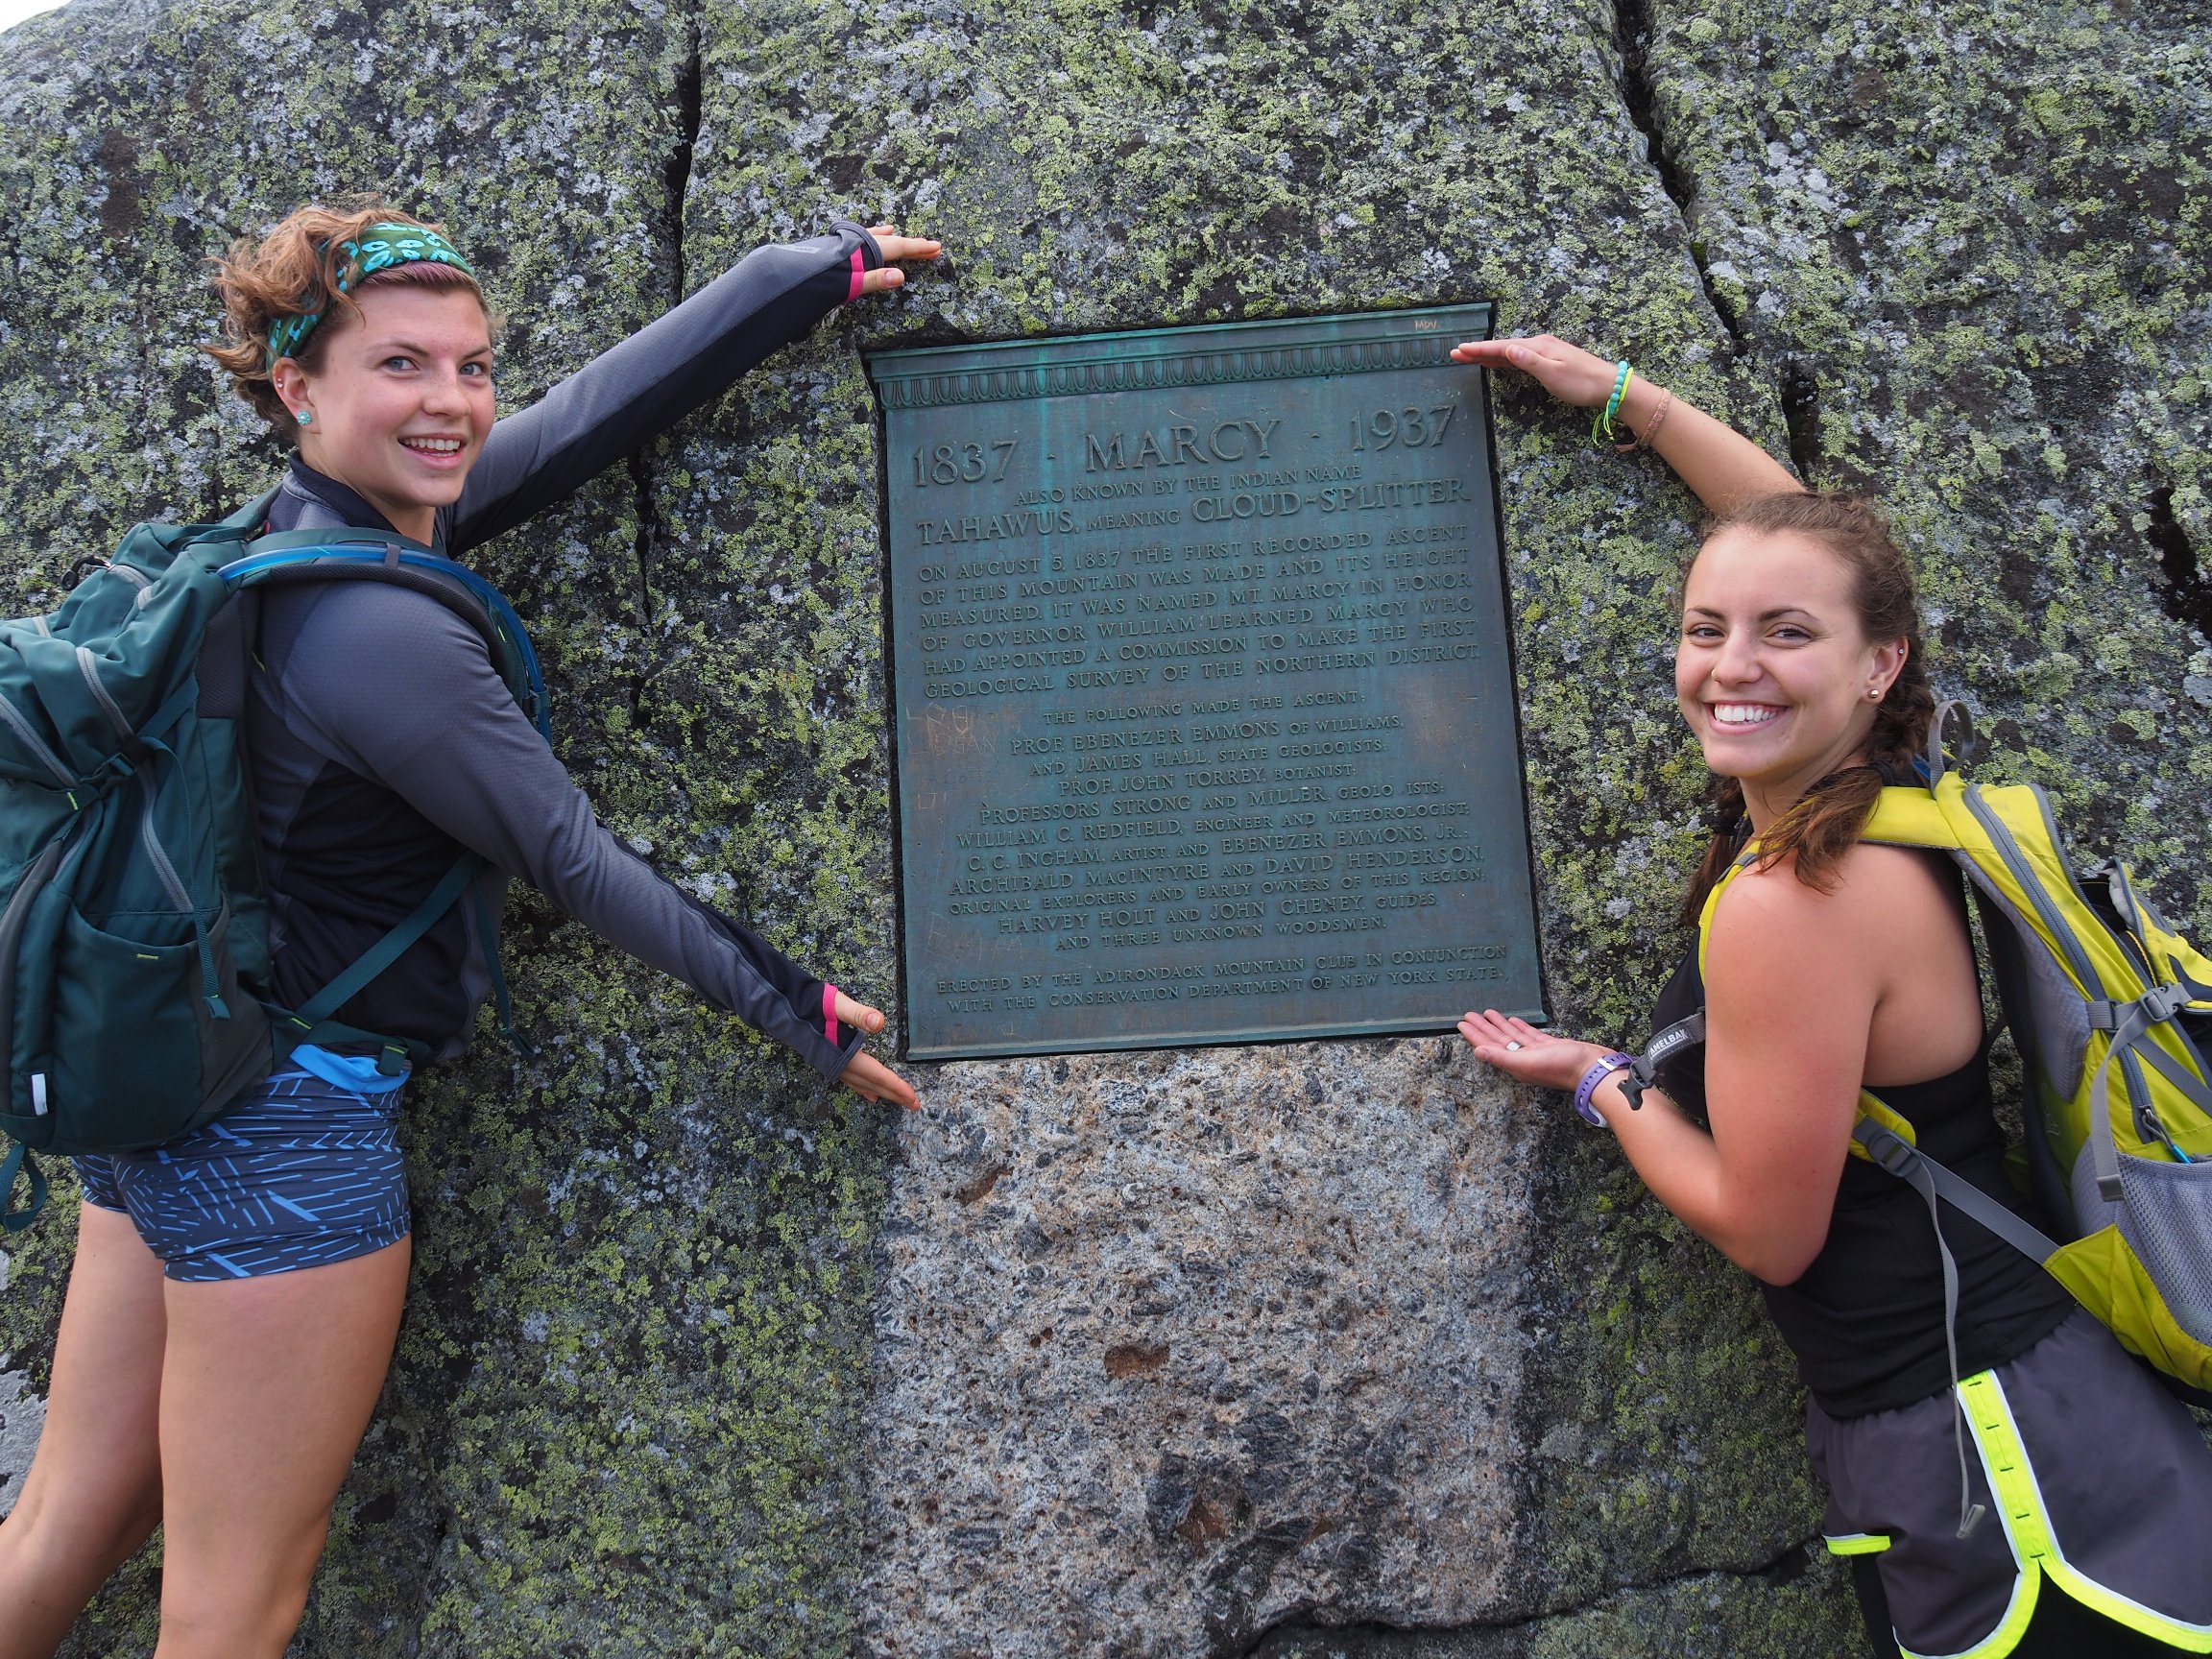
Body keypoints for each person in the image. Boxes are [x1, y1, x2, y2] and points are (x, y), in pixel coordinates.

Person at [0, 199, 938, 1658]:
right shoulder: (381, 631)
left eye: (473, 365)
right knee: (233, 1608)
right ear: (299, 388)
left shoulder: (290, 541)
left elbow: (572, 430)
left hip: (167, 1091)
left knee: (71, 1522)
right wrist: (789, 1006)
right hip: (285, 1143)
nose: (451, 402)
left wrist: (795, 277)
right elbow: (566, 855)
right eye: (402, 366)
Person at [1453, 334, 2212, 1658]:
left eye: (1783, 636)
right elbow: (1812, 556)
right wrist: (1633, 402)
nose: (1731, 665)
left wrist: (1600, 1083)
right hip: (2032, 1408)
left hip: (1996, 1473)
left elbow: (1771, 1233)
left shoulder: (1790, 905)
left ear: (1879, 666)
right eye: (1705, 630)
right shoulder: (1897, 797)